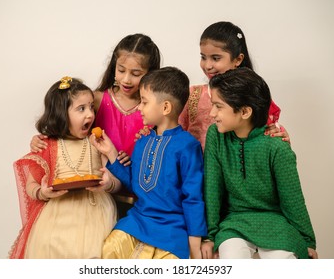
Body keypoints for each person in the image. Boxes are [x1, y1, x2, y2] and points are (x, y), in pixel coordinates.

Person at [30, 34, 161, 218]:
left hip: (141, 198)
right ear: (113, 66)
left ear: (151, 73)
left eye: (136, 74)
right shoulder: (97, 100)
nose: (126, 79)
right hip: (100, 197)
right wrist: (44, 138)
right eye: (121, 70)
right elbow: (72, 131)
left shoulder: (152, 108)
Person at [90, 67, 207, 259]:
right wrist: (110, 152)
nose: (139, 107)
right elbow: (135, 183)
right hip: (138, 220)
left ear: (166, 108)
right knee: (110, 249)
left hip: (173, 227)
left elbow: (193, 197)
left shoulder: (188, 146)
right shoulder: (143, 141)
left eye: (144, 102)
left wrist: (194, 245)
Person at [201, 68, 317, 259]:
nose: (212, 113)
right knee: (231, 260)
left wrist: (308, 241)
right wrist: (209, 236)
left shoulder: (276, 146)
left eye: (218, 106)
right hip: (234, 223)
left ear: (245, 111)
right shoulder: (216, 135)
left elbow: (293, 198)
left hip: (276, 223)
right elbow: (212, 188)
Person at [9, 77, 120, 259]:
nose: (90, 114)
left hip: (95, 212)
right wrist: (42, 192)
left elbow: (114, 180)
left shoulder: (96, 142)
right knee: (50, 247)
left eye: (91, 106)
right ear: (61, 113)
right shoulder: (48, 146)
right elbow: (31, 185)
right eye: (81, 109)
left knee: (95, 252)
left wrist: (109, 184)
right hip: (57, 215)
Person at [179, 21, 288, 150]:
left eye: (216, 58)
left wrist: (280, 138)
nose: (208, 66)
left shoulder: (253, 97)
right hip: (197, 169)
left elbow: (268, 138)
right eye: (203, 57)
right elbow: (173, 134)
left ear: (238, 59)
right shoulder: (192, 96)